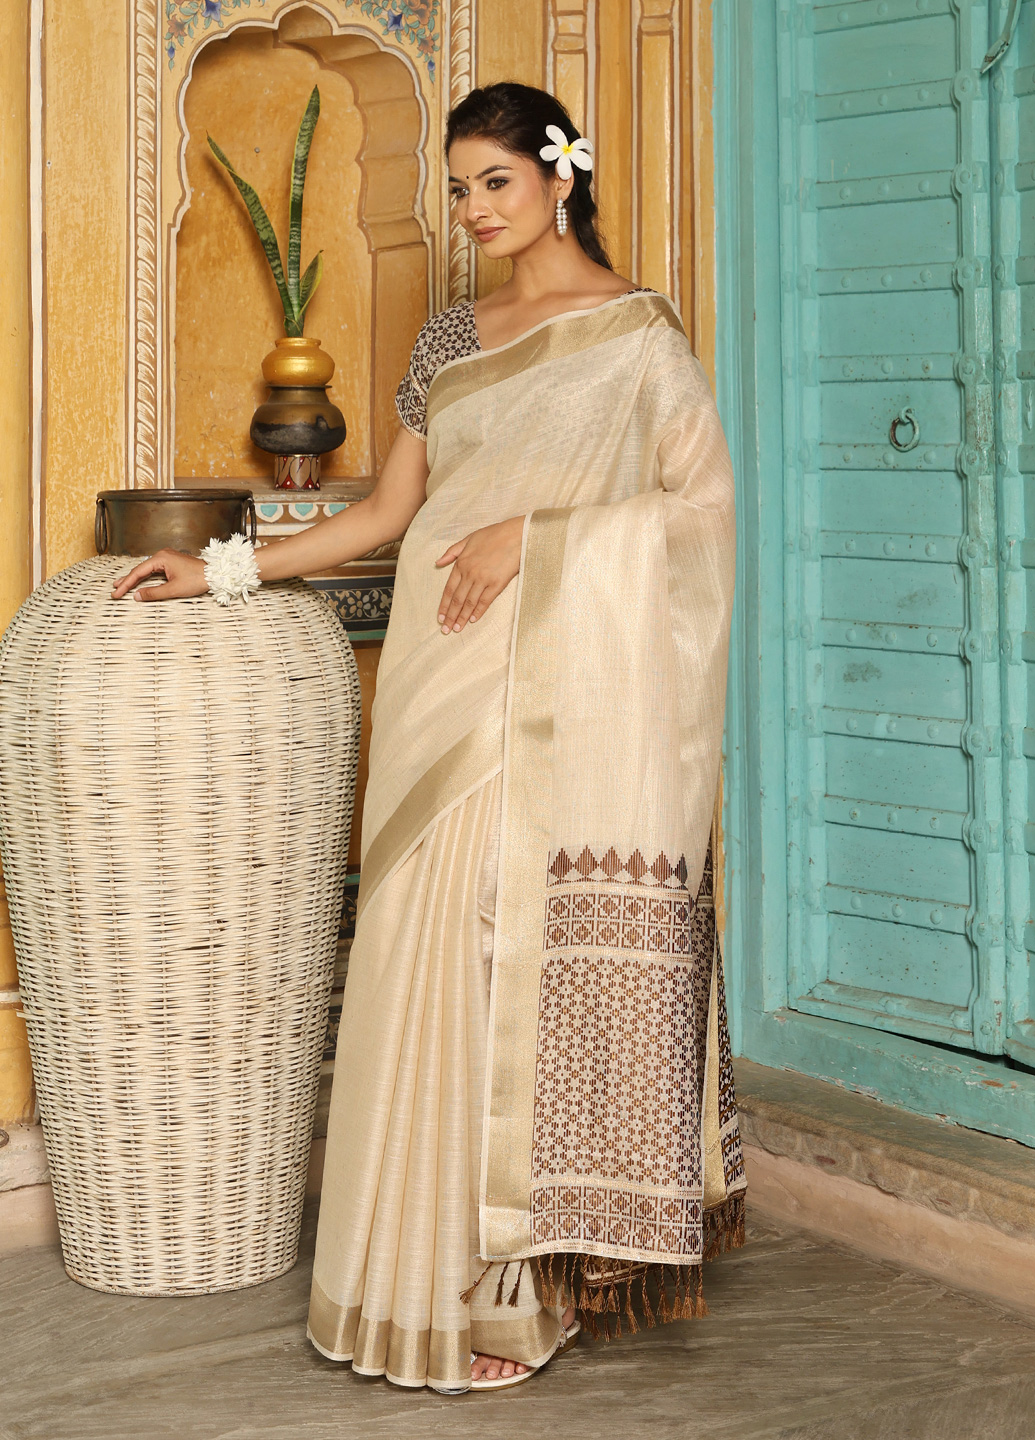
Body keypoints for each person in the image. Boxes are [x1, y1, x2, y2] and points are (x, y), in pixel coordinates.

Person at [114, 81, 745, 1395]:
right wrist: (218, 571)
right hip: (435, 687)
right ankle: (395, 1287)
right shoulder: (451, 340)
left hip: (556, 696)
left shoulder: (636, 337)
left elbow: (699, 517)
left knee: (509, 966)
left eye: (495, 182)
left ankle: (508, 1303)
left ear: (560, 177)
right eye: (458, 189)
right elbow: (381, 518)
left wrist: (540, 539)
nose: (473, 210)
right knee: (417, 960)